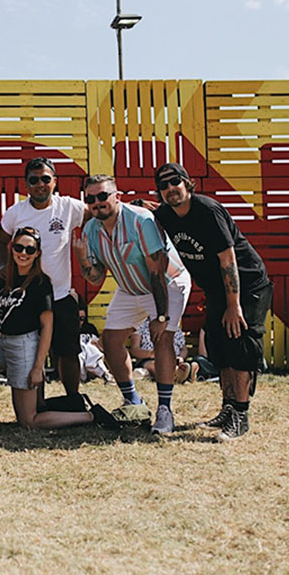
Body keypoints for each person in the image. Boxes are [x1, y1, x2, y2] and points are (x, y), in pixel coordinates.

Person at [154, 162, 273, 441]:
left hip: (246, 284)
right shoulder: (165, 214)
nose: (170, 189)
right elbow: (145, 211)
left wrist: (234, 306)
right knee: (219, 346)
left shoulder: (207, 210)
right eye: (163, 185)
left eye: (175, 182)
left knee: (240, 343)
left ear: (187, 182)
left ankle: (240, 416)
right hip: (217, 290)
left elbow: (227, 258)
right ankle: (228, 408)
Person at [73, 174, 191, 435]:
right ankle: (133, 402)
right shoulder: (92, 229)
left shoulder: (141, 220)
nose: (97, 203)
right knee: (111, 340)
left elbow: (157, 272)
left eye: (103, 196)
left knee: (163, 338)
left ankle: (165, 410)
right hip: (130, 288)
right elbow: (96, 278)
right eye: (90, 199)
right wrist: (82, 259)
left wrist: (160, 317)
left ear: (117, 196)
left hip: (166, 283)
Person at [0, 227, 109, 429]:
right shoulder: (5, 278)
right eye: (19, 247)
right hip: (5, 341)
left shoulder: (40, 283)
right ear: (11, 249)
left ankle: (90, 417)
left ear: (37, 254)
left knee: (28, 421)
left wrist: (37, 368)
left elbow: (47, 327)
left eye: (29, 249)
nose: (23, 253)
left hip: (24, 346)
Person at [0, 157, 87, 396]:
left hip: (60, 294)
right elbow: (1, 240)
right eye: (33, 180)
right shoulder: (16, 213)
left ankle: (73, 397)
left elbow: (99, 214)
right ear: (26, 185)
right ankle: (37, 402)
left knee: (67, 353)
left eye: (46, 179)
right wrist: (4, 266)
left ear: (54, 182)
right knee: (31, 353)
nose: (40, 184)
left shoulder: (68, 207)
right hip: (26, 297)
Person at [129, 318, 194, 383]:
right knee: (154, 364)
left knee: (167, 363)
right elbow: (134, 350)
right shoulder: (140, 324)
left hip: (173, 358)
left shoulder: (173, 326)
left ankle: (177, 374)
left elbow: (183, 348)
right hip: (149, 359)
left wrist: (181, 357)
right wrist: (151, 354)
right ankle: (176, 374)